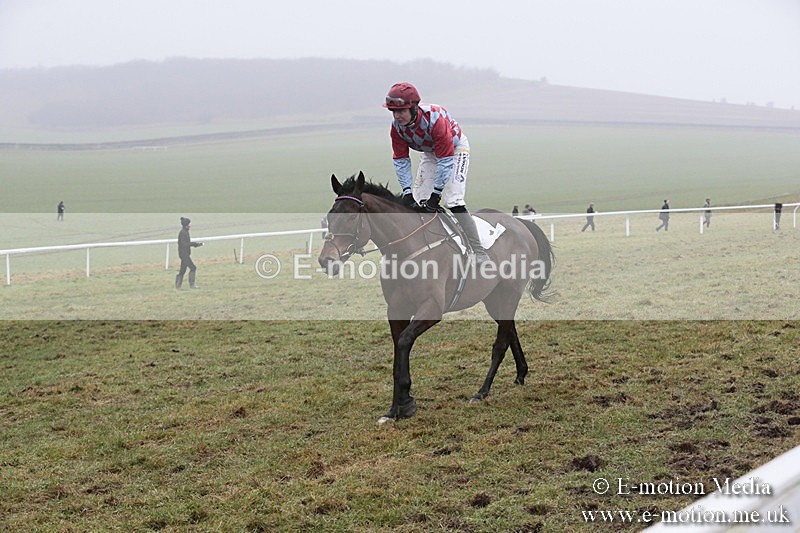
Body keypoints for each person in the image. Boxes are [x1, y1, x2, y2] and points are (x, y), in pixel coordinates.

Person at [383, 81, 491, 266]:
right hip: (431, 152)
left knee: (453, 200)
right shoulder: (396, 128)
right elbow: (401, 161)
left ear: (414, 108)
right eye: (393, 111)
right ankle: (436, 245)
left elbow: (446, 160)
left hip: (454, 150)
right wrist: (407, 192)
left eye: (401, 111)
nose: (397, 116)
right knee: (419, 201)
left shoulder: (435, 121)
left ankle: (478, 251)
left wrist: (436, 194)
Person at [175, 217, 203, 289]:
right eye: (189, 224)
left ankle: (177, 286)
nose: (190, 225)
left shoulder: (185, 232)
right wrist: (194, 244)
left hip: (184, 254)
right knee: (193, 268)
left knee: (182, 270)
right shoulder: (183, 233)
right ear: (186, 225)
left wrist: (194, 244)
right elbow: (184, 244)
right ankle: (192, 285)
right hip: (184, 254)